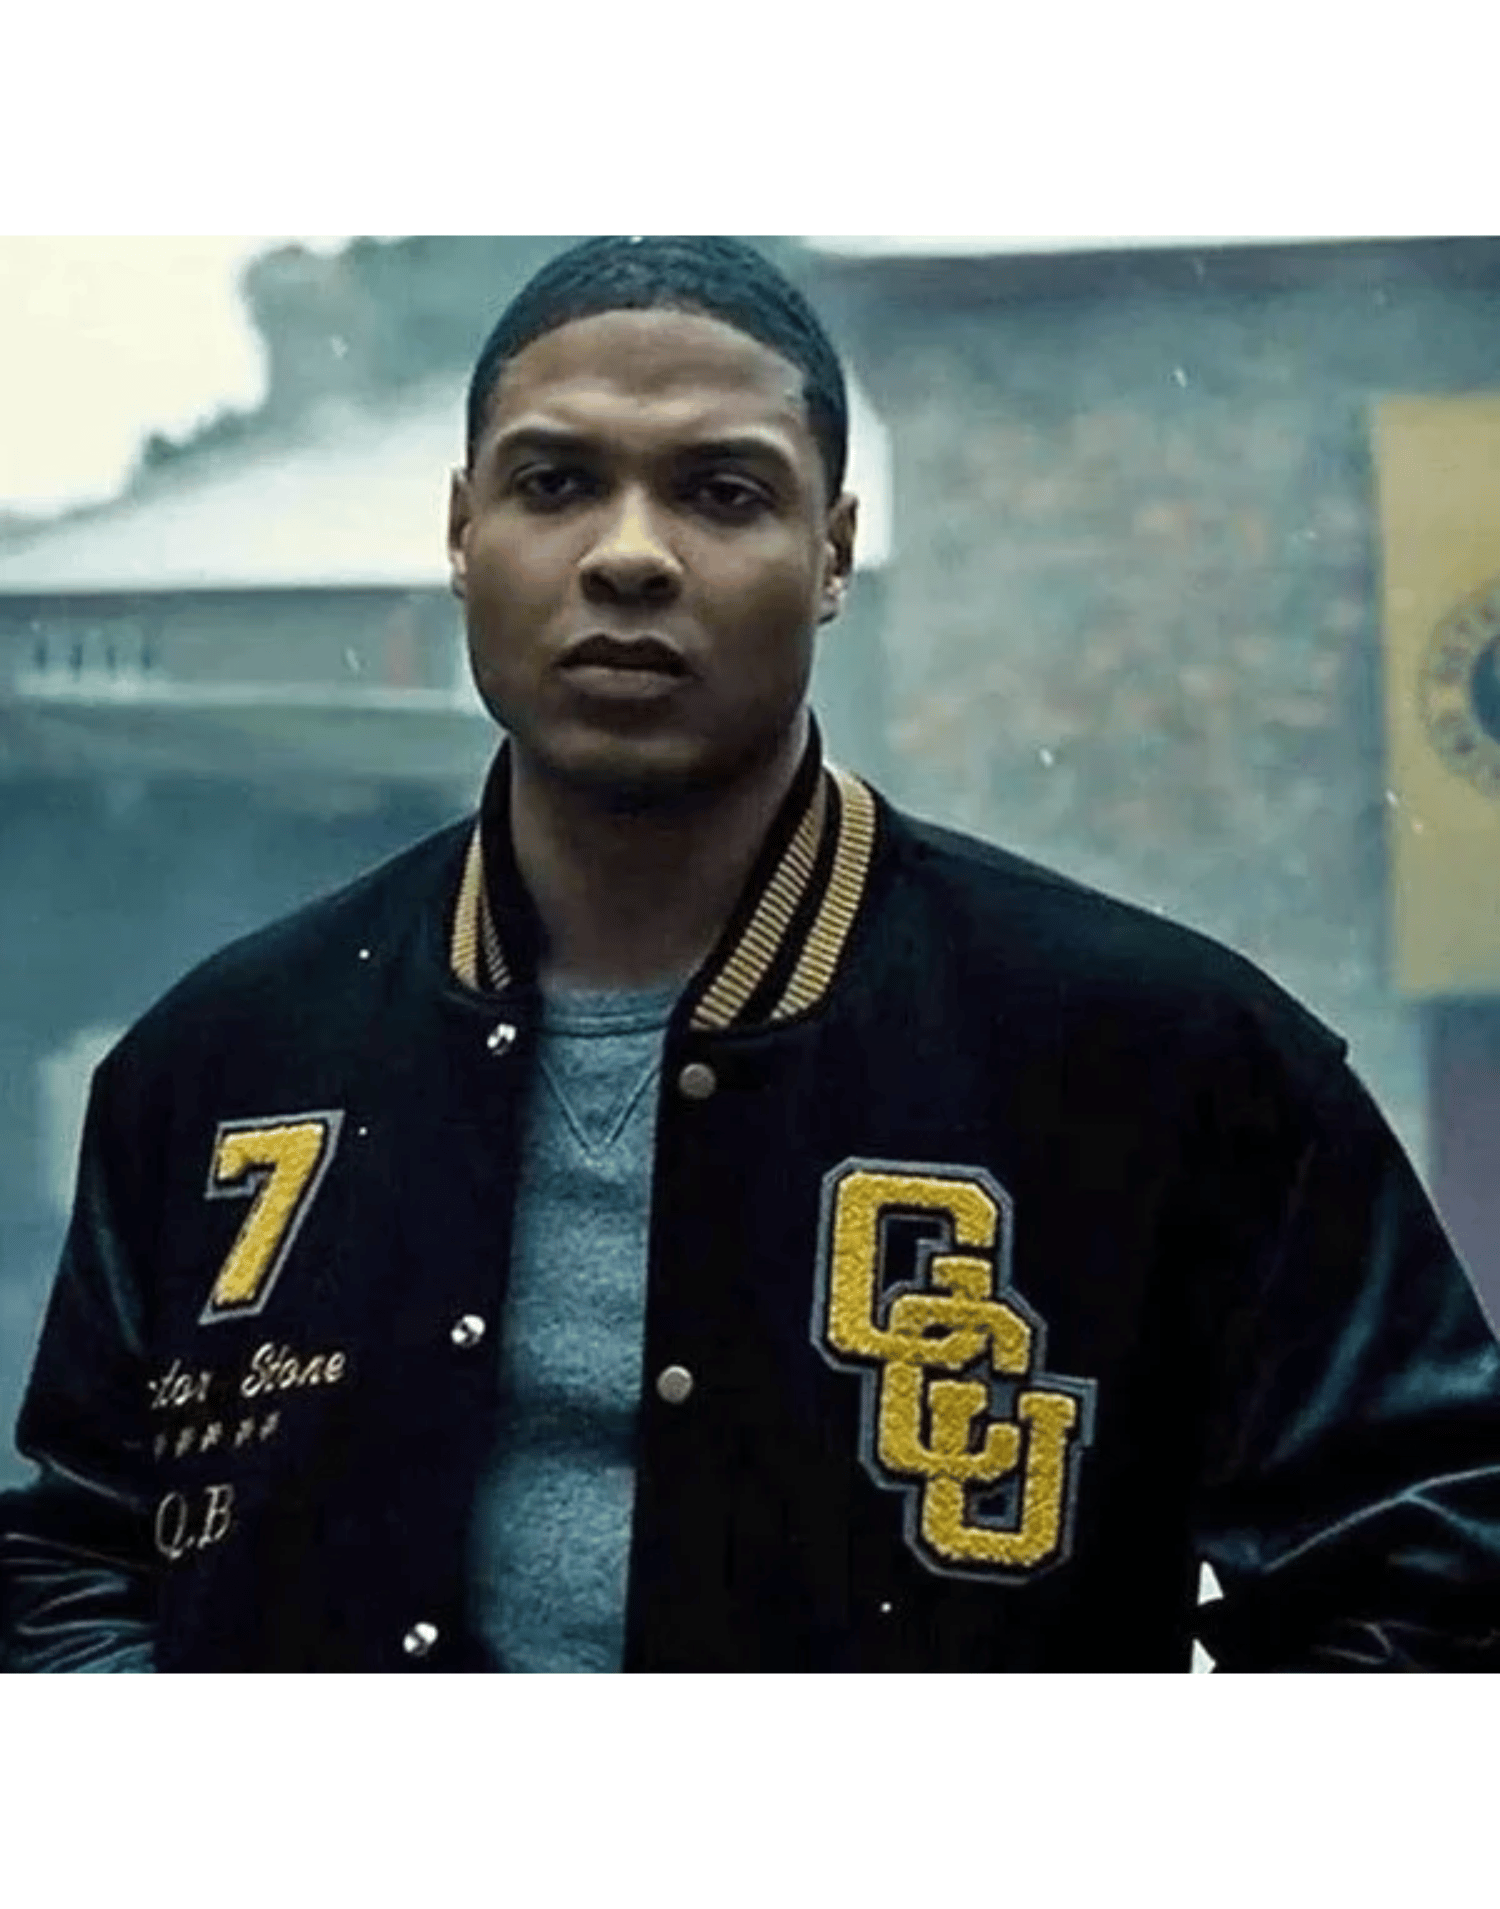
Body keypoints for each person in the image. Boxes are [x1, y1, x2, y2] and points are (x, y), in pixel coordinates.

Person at [4, 235, 1499, 1674]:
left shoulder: (1159, 1059)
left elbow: (1436, 1565)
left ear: (832, 552)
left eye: (722, 492)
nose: (630, 555)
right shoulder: (222, 1065)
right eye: (555, 483)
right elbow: (77, 1555)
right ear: (462, 532)